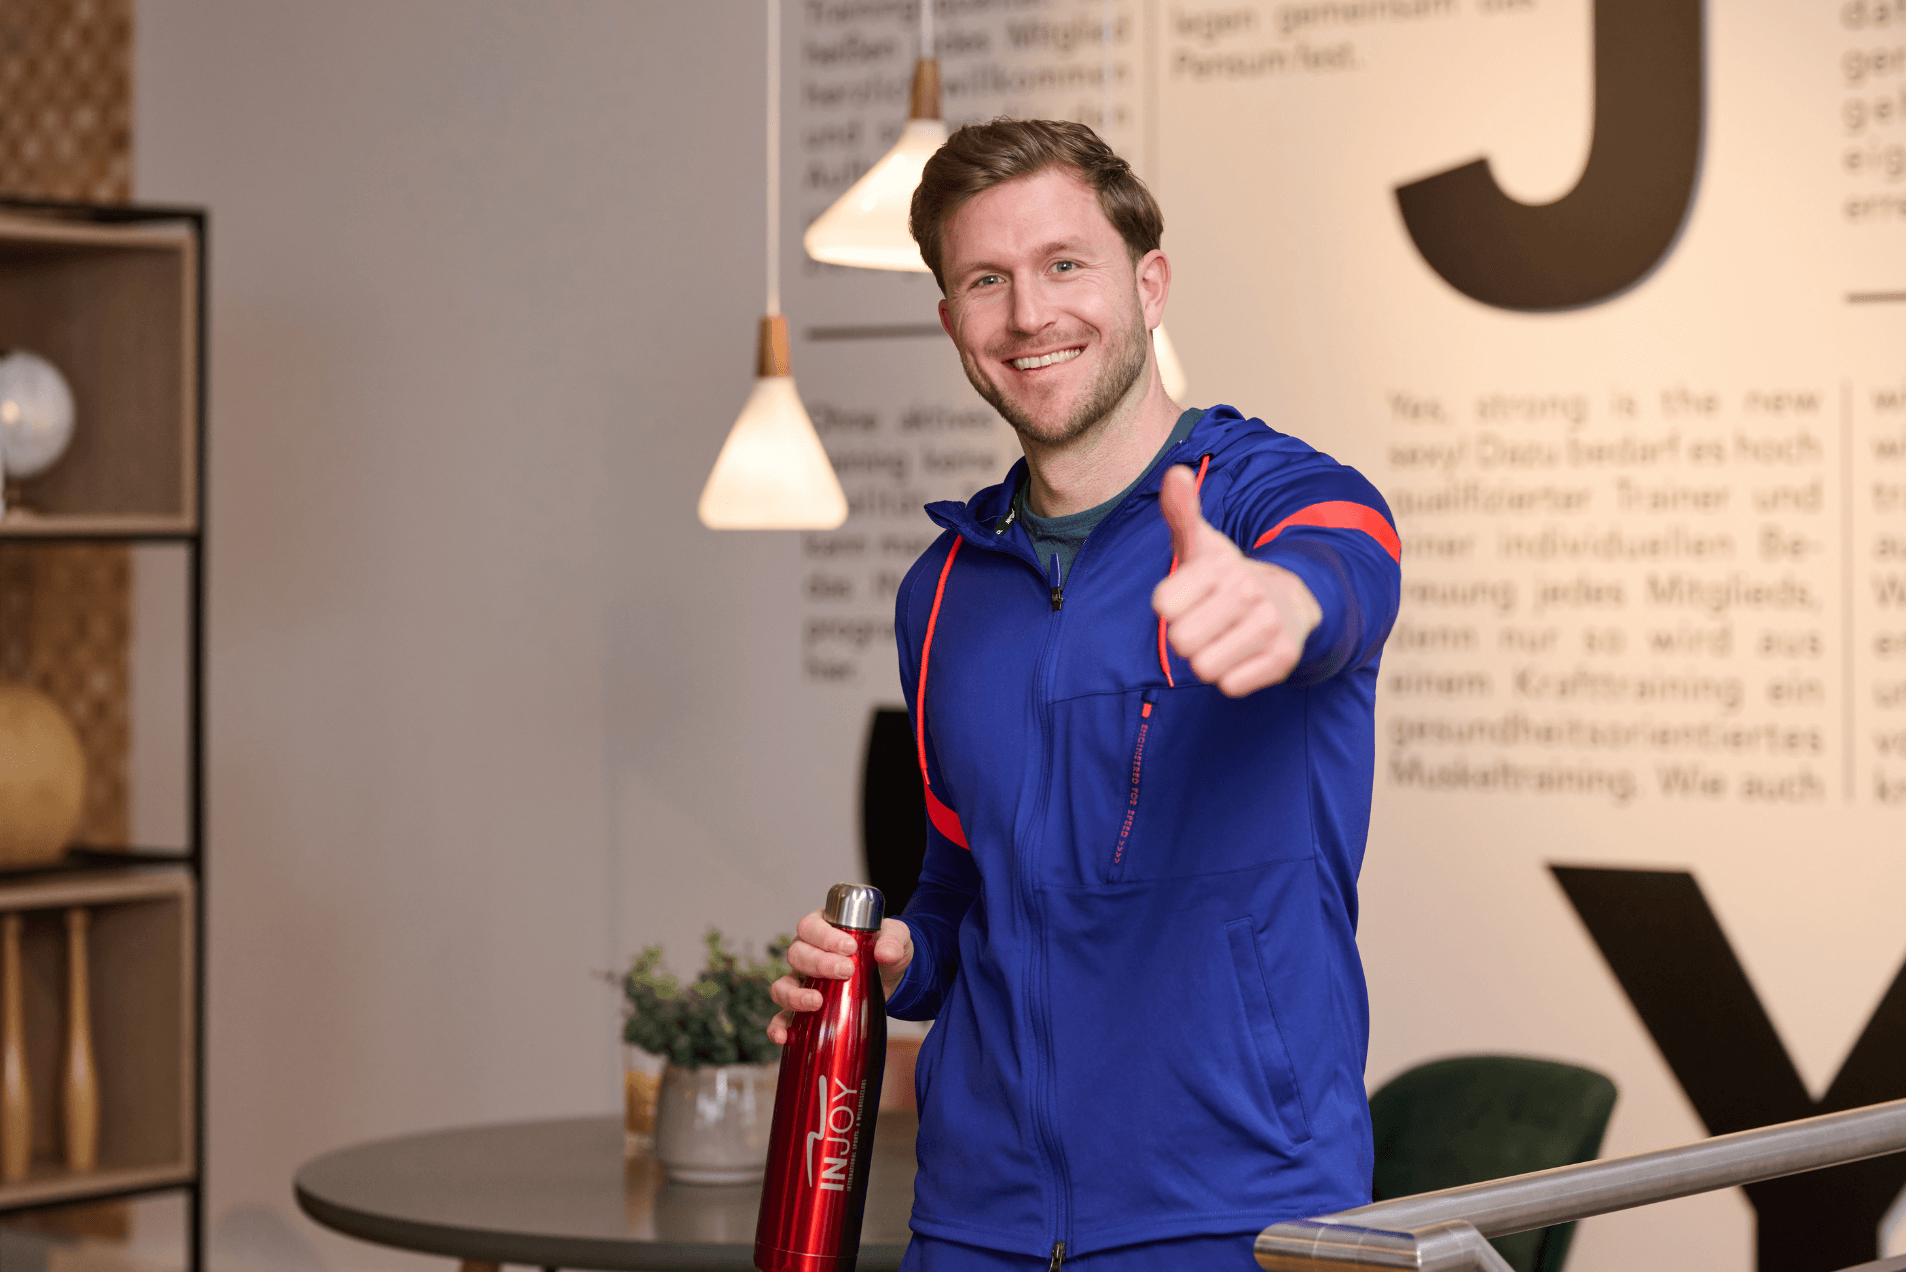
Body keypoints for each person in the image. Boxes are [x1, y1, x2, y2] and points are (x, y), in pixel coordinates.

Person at [768, 119, 1401, 1270]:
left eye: (1065, 265)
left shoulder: (1272, 501)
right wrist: (910, 954)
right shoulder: (941, 590)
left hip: (1235, 1214)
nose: (1028, 314)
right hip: (974, 1222)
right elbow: (964, 879)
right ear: (952, 320)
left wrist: (1282, 604)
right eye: (985, 280)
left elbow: (1348, 564)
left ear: (1147, 284)